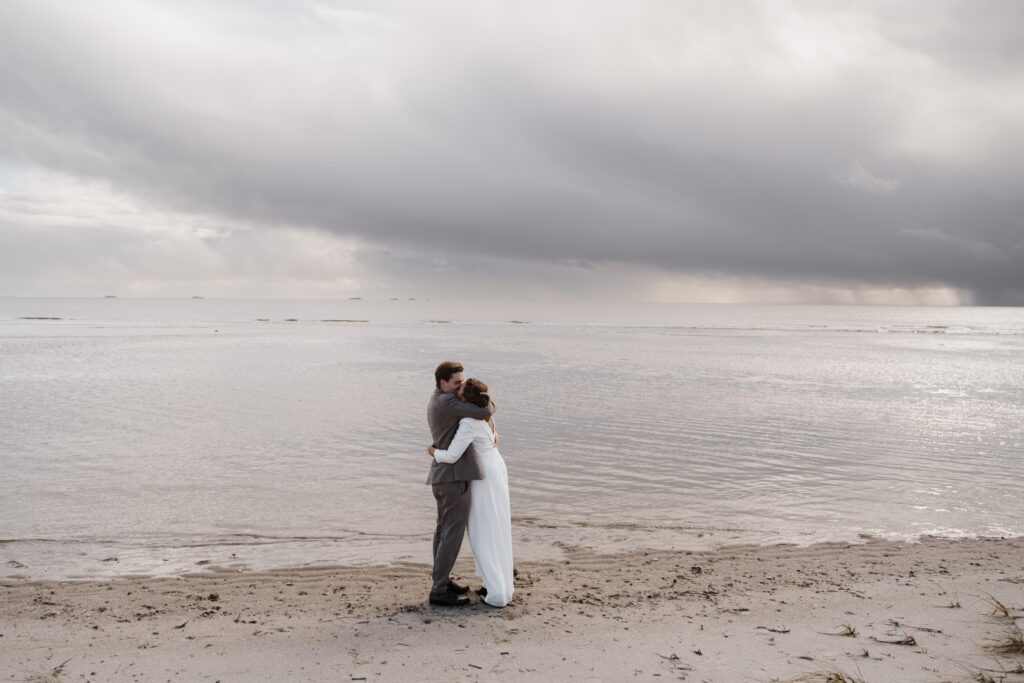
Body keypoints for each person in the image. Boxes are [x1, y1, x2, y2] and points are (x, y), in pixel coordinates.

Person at [428, 378, 514, 608]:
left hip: (482, 475)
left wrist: (434, 452)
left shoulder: (468, 421)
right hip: (496, 467)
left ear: (466, 398)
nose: (458, 391)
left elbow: (453, 455)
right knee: (497, 526)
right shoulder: (486, 416)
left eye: (461, 389)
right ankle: (495, 582)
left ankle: (495, 590)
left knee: (481, 530)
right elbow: (494, 439)